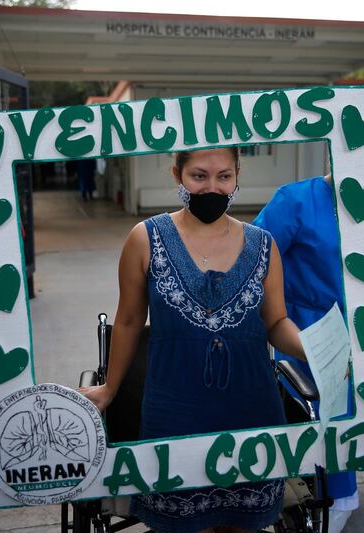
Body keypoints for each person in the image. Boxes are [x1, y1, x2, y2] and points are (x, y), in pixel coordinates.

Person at [82, 147, 306, 533]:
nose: (212, 188)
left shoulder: (263, 244)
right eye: (199, 176)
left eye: (224, 177)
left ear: (237, 177)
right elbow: (131, 320)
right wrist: (109, 388)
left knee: (241, 524)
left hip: (251, 411)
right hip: (174, 412)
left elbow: (277, 322)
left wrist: (319, 351)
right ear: (177, 175)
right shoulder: (145, 239)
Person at [254, 174, 364, 533]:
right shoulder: (296, 200)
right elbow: (255, 256)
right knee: (316, 418)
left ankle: (339, 493)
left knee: (353, 422)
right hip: (306, 335)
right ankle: (331, 495)